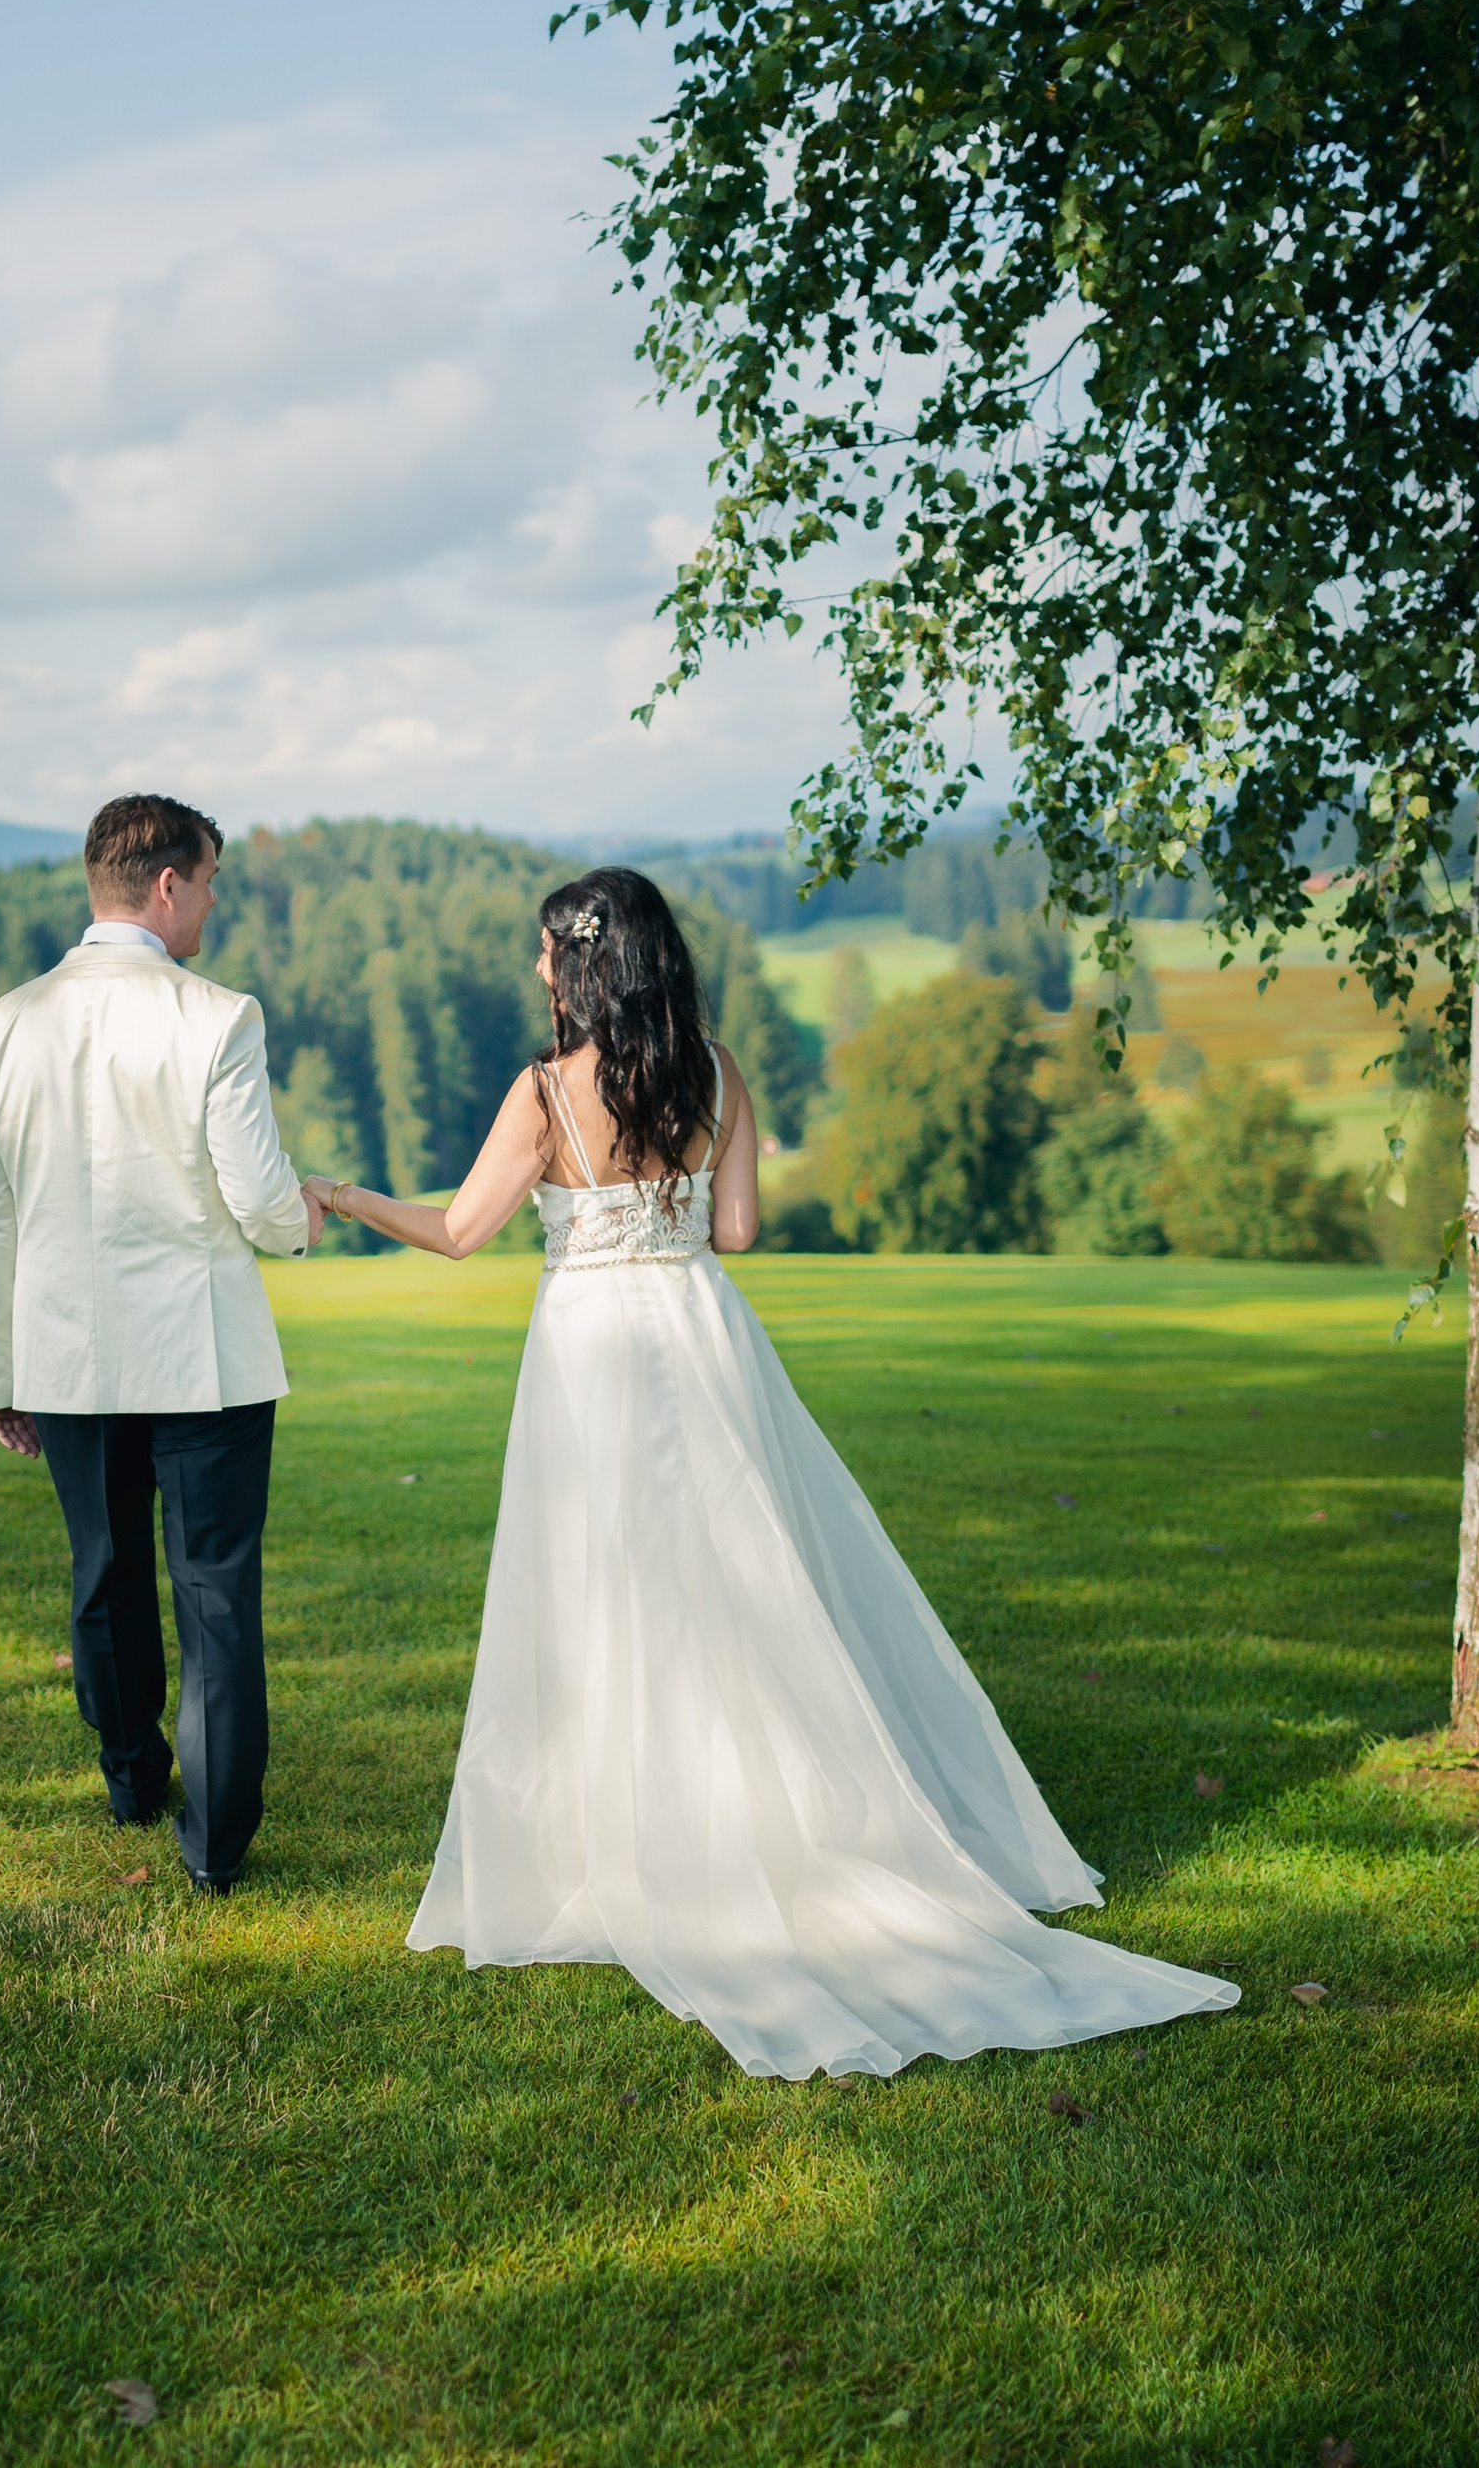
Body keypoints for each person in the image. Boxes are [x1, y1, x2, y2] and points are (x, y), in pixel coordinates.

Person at [305, 866, 1238, 2077]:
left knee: (609, 1585)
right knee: (744, 1575)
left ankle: (638, 1829)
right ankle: (786, 1814)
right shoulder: (715, 1069)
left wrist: (340, 1193)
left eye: (546, 952)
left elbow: (460, 1228)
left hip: (590, 1349)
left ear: (581, 964)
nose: (537, 970)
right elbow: (735, 1231)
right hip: (703, 1330)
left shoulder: (545, 1091)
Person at [0, 793, 324, 1894]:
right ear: (165, 884)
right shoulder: (215, 1016)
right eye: (208, 879)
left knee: (103, 1570)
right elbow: (258, 1199)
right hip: (200, 1353)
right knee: (212, 1589)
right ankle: (214, 1842)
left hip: (64, 1353)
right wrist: (301, 1222)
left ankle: (130, 1780)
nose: (212, 899)